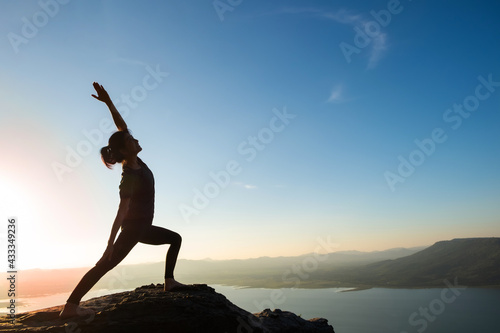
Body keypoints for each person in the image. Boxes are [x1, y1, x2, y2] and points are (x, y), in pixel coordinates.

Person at [60, 82, 187, 319]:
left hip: (142, 228)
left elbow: (121, 126)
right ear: (125, 150)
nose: (136, 140)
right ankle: (70, 306)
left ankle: (169, 281)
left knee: (175, 239)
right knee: (104, 265)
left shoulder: (136, 161)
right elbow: (122, 210)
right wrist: (109, 244)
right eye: (131, 140)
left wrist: (108, 102)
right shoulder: (130, 174)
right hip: (132, 230)